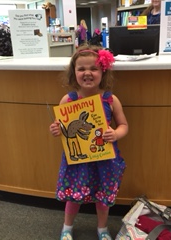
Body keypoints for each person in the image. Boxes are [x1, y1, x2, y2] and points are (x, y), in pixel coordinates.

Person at [49, 45, 128, 240]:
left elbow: (124, 125)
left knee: (103, 198)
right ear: (73, 73)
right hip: (77, 160)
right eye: (81, 69)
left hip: (105, 159)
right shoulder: (68, 100)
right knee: (73, 195)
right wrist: (56, 129)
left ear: (103, 71)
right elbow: (63, 129)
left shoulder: (110, 100)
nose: (87, 73)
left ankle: (102, 229)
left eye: (93, 68)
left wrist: (116, 134)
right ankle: (67, 227)